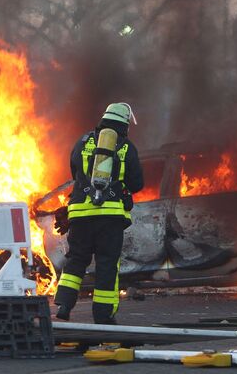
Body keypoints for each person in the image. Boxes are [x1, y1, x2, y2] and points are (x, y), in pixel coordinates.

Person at [53, 102, 144, 323]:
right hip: (110, 216)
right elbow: (136, 183)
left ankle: (64, 304)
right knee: (106, 263)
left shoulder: (83, 142)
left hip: (80, 213)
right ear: (124, 123)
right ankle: (103, 315)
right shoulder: (125, 147)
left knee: (76, 259)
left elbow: (74, 172)